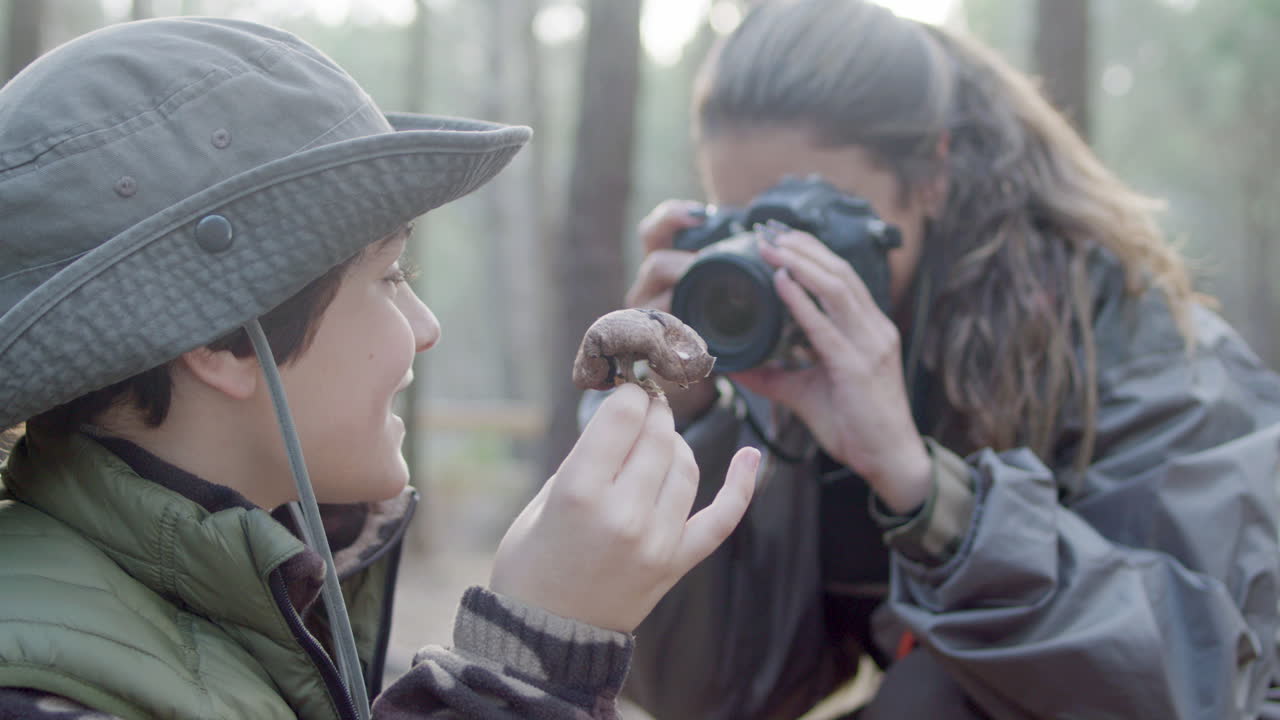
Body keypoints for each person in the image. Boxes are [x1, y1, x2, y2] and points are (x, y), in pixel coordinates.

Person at [0, 17, 761, 720]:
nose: (426, 331)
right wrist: (529, 657)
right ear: (221, 342)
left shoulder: (246, 603)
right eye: (391, 276)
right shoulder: (38, 687)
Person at [590, 0, 1280, 717]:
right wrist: (674, 427)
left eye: (806, 218)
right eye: (743, 223)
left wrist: (927, 495)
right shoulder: (789, 351)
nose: (778, 263)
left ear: (932, 174)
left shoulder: (1127, 343)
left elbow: (1208, 685)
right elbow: (717, 694)